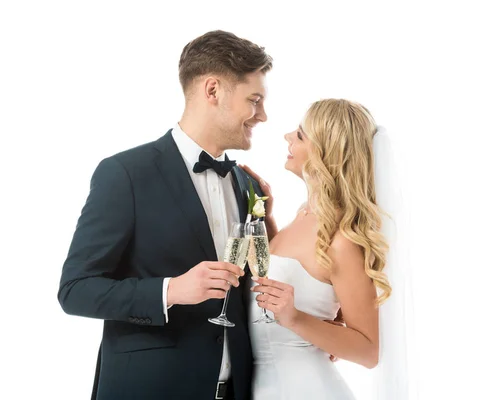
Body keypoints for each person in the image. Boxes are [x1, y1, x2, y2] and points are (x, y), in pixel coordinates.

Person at [57, 30, 272, 399]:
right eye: (254, 100)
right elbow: (75, 290)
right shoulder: (125, 173)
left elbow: (255, 285)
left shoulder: (245, 184)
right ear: (213, 90)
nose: (263, 116)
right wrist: (170, 290)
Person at [243, 99, 395, 399]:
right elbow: (290, 273)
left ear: (327, 154)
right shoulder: (304, 212)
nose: (288, 136)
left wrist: (295, 318)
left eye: (300, 135)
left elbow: (368, 351)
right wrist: (268, 219)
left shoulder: (343, 240)